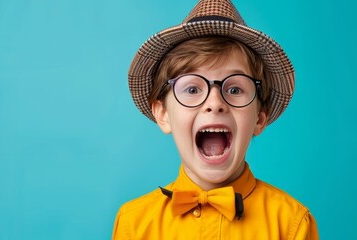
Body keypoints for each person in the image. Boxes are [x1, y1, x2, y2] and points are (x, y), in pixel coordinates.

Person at [112, 0, 318, 239]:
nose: (215, 103)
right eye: (192, 89)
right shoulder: (133, 223)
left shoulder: (291, 223)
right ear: (163, 114)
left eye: (234, 89)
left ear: (260, 118)